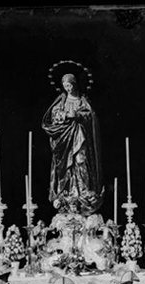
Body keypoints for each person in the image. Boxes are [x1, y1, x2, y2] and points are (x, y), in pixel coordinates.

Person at [42, 71, 102, 215]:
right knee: (66, 167)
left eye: (69, 85)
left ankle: (83, 192)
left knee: (81, 161)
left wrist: (77, 115)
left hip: (79, 137)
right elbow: (53, 117)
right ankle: (67, 193)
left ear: (74, 84)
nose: (67, 88)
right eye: (65, 86)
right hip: (64, 141)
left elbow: (90, 116)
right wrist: (62, 116)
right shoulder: (61, 101)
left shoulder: (82, 100)